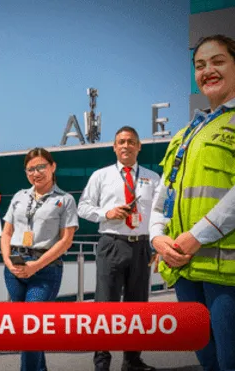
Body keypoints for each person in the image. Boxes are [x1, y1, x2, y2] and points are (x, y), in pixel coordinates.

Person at [149, 34, 235, 371]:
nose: (208, 70)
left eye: (217, 61)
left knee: (234, 364)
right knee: (207, 361)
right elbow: (163, 195)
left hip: (232, 269)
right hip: (185, 266)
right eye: (200, 65)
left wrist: (194, 238)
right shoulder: (184, 134)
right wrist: (156, 236)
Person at [77, 126, 160, 371]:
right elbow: (83, 207)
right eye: (121, 142)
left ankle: (132, 360)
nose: (126, 146)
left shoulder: (152, 178)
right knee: (106, 305)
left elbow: (157, 213)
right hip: (112, 243)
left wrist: (157, 242)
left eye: (131, 142)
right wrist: (106, 212)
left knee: (137, 305)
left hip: (141, 245)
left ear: (138, 147)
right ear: (114, 147)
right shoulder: (100, 176)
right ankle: (102, 362)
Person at [1, 147, 78, 371]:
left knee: (29, 327)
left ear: (53, 167)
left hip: (45, 270)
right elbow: (6, 233)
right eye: (30, 169)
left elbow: (65, 241)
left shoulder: (65, 200)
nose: (36, 173)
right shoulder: (18, 196)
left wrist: (36, 266)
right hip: (15, 267)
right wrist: (7, 262)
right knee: (29, 328)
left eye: (41, 167)